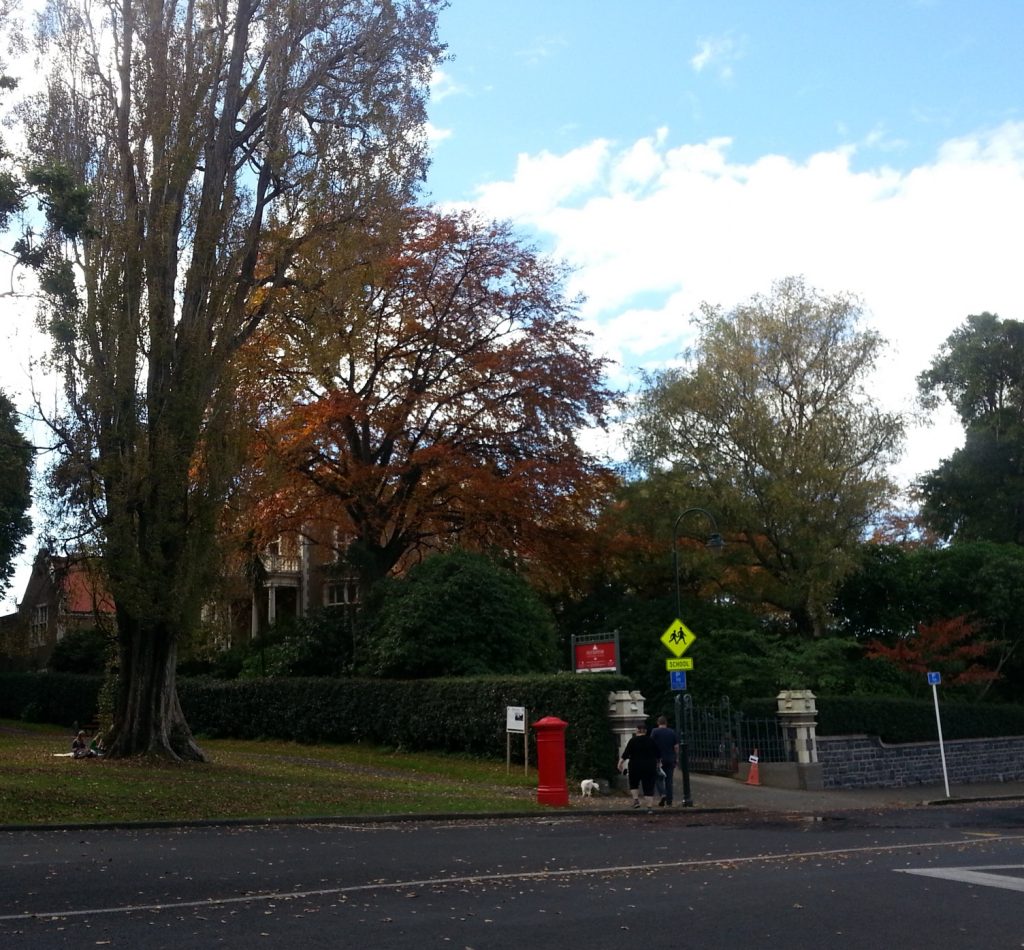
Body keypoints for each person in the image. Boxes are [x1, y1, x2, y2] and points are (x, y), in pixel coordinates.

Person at [617, 721, 660, 811]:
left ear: (638, 730)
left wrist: (620, 763)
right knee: (649, 785)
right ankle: (649, 807)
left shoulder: (633, 741)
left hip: (635, 766)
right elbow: (658, 754)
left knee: (634, 783)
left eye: (636, 730)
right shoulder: (651, 741)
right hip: (649, 766)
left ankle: (636, 800)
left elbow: (626, 753)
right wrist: (658, 764)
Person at [651, 714, 679, 806]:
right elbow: (676, 747)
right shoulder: (672, 732)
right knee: (669, 780)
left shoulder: (655, 732)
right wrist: (676, 757)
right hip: (670, 758)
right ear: (666, 723)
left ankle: (663, 793)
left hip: (659, 759)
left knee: (658, 777)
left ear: (658, 723)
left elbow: (651, 745)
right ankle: (669, 802)